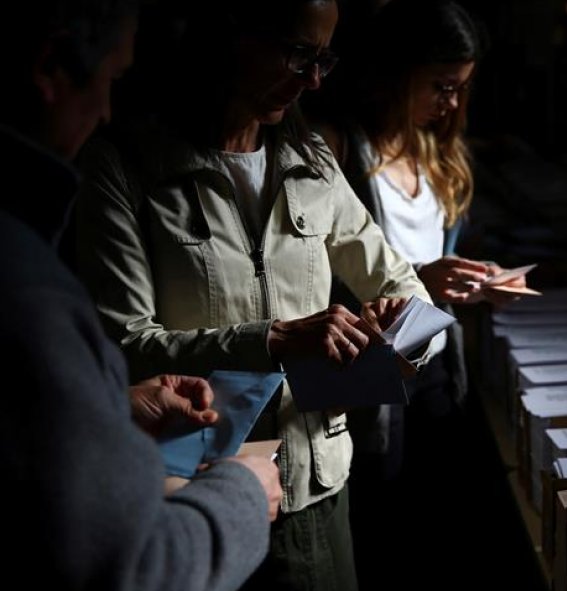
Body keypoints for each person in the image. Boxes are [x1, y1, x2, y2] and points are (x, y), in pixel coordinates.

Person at [74, 0, 436, 589]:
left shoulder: (311, 159)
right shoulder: (126, 166)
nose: (313, 79)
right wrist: (271, 340)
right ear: (227, 34)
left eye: (324, 59)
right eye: (298, 54)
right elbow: (122, 345)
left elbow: (407, 289)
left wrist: (398, 336)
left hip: (314, 493)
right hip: (190, 495)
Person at [0, 1, 282, 589]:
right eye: (111, 81)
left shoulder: (307, 159)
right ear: (51, 67)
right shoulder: (29, 289)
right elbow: (133, 564)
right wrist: (242, 493)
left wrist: (106, 406)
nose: (106, 113)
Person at [304, 0, 524, 586]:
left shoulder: (436, 153)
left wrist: (480, 282)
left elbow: (436, 261)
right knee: (383, 528)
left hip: (436, 366)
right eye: (441, 85)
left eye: (461, 88)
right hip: (368, 374)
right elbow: (308, 282)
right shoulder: (340, 149)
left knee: (436, 528)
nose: (452, 102)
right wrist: (419, 281)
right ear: (396, 74)